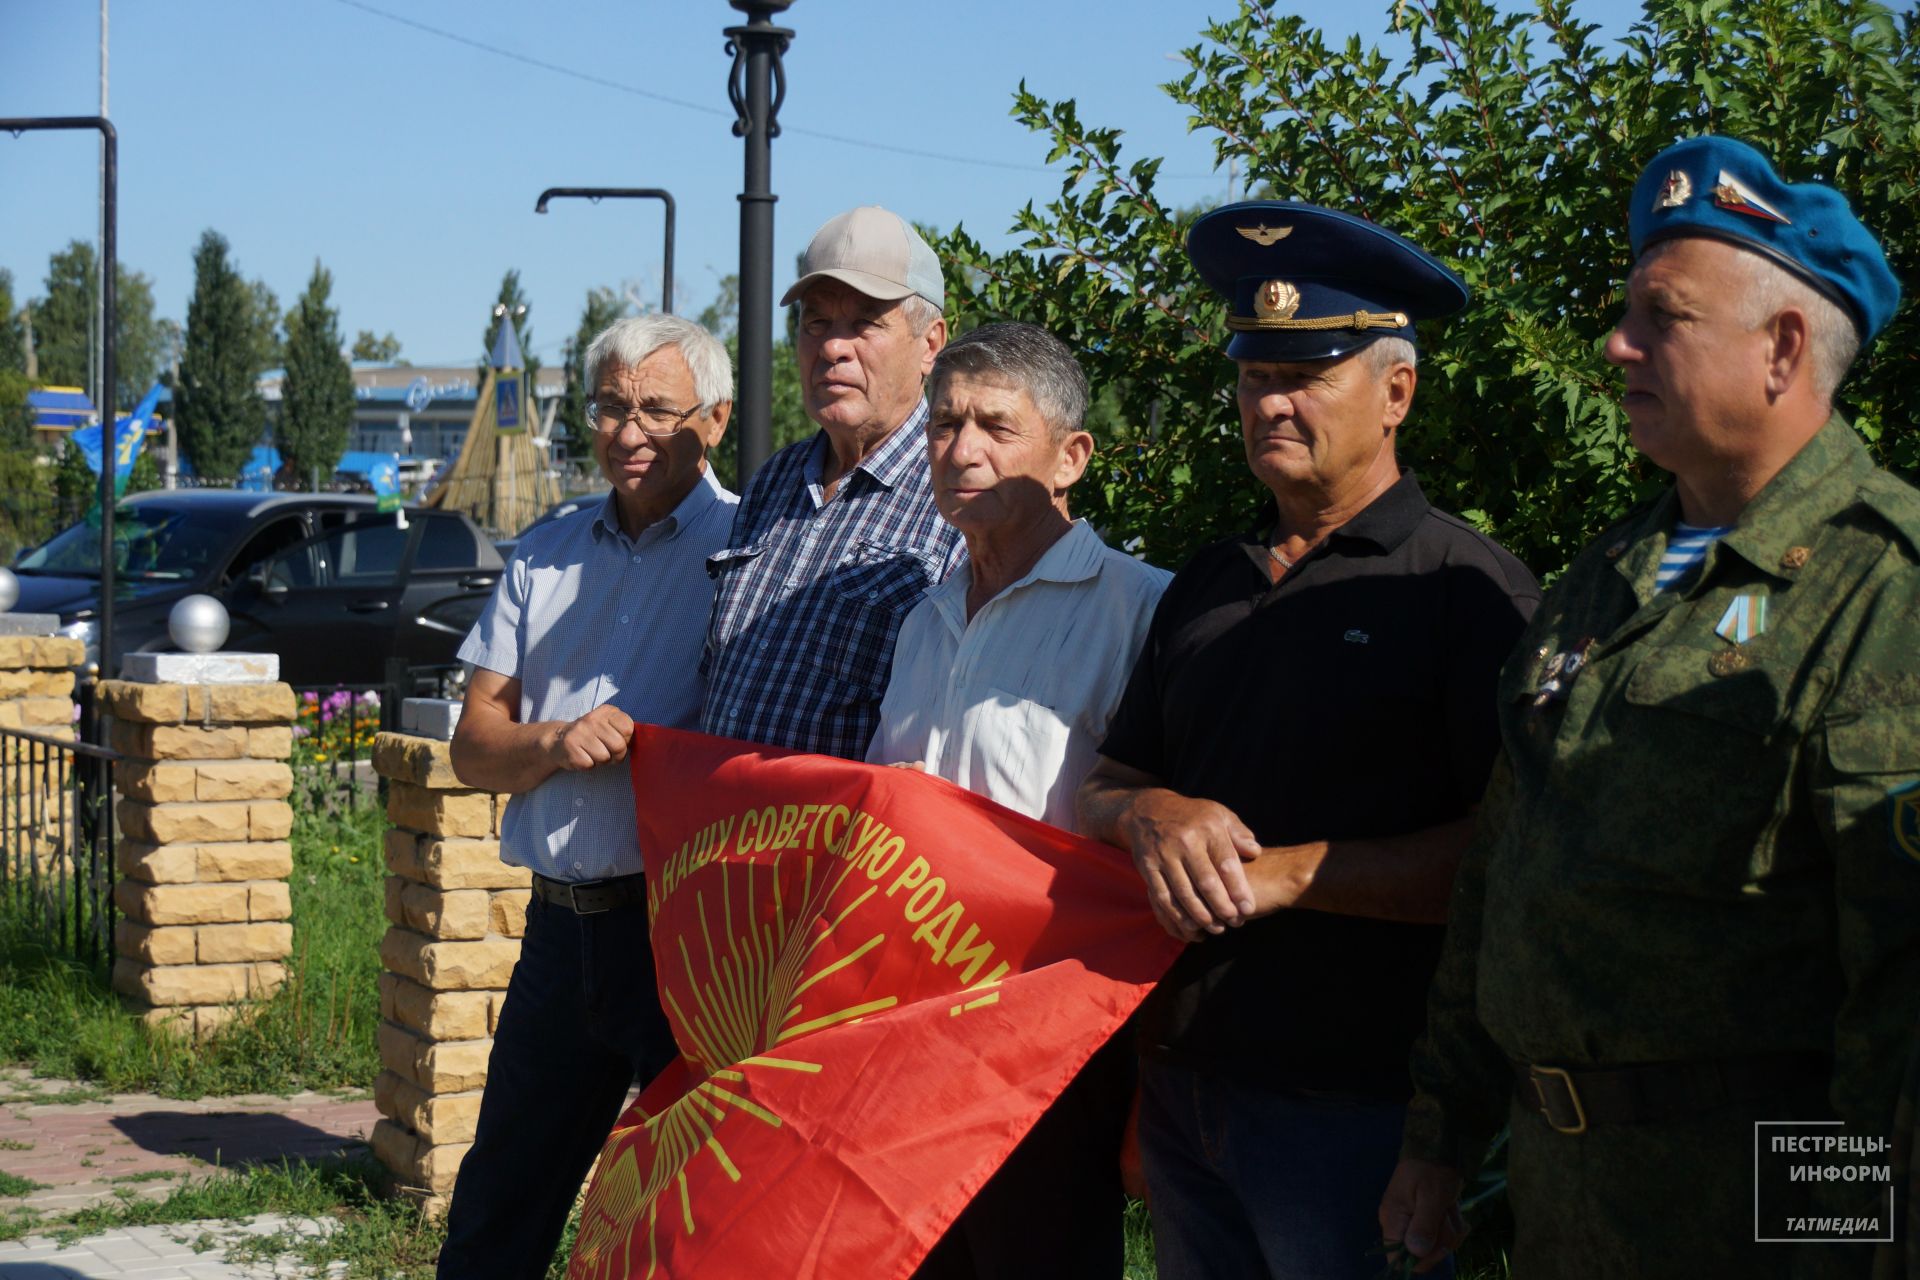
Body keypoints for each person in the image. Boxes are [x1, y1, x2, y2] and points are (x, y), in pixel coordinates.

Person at [1381, 136, 1920, 1279]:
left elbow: (1903, 999)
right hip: (1562, 1199)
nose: (1618, 344)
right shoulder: (1608, 574)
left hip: (1744, 1224)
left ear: (1783, 348)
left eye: (1662, 316)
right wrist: (1441, 1131)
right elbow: (1503, 868)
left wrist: (1852, 1249)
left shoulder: (1886, 588)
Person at [1076, 201, 1540, 1280]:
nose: (1269, 401)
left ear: (1396, 392)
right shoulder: (1205, 581)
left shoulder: (1465, 590)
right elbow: (1109, 781)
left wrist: (1296, 874)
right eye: (1252, 375)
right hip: (1191, 1089)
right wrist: (1151, 813)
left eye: (1306, 373)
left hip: (1363, 1109)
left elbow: (1503, 857)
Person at [437, 315, 739, 1278]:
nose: (628, 430)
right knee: (499, 1211)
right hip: (560, 938)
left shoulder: (751, 556)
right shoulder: (544, 550)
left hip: (687, 941)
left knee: (691, 1226)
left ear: (717, 421)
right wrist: (556, 742)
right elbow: (473, 749)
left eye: (657, 407)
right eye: (611, 407)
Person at [868, 321, 1171, 1279]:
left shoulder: (1143, 610)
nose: (961, 451)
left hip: (1052, 1040)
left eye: (996, 426)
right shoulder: (920, 618)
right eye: (943, 425)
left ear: (1071, 456)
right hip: (909, 1025)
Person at [702, 205, 964, 758]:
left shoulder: (959, 491)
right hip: (719, 832)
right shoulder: (775, 479)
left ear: (930, 343)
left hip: (849, 840)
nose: (832, 347)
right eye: (815, 322)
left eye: (865, 323)